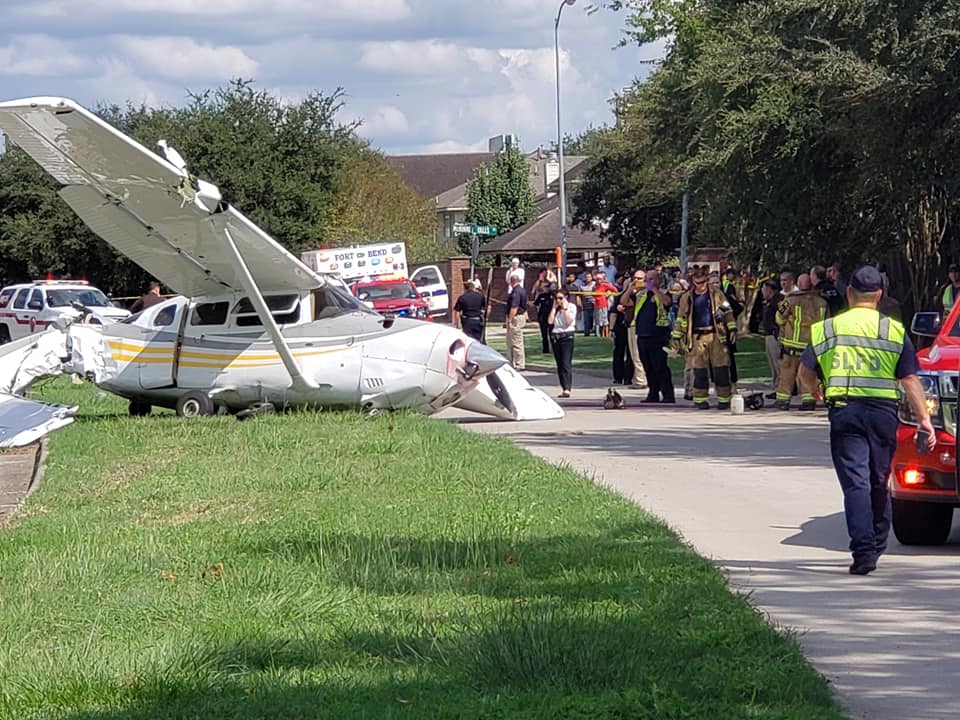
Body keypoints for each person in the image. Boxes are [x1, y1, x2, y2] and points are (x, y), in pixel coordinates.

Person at [798, 265, 935, 575]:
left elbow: (804, 372)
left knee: (856, 483)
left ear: (849, 293)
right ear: (880, 295)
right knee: (878, 478)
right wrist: (924, 419)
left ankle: (864, 551)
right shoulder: (893, 330)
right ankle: (876, 540)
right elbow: (910, 379)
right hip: (883, 413)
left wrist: (816, 391)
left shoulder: (828, 328)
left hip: (845, 411)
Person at [672, 266, 736, 409]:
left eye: (702, 282)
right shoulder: (687, 298)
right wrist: (677, 337)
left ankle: (724, 400)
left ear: (706, 280)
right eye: (697, 283)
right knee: (699, 371)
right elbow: (681, 318)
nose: (700, 286)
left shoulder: (716, 294)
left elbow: (728, 307)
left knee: (721, 370)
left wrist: (731, 328)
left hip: (716, 336)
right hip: (697, 337)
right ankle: (700, 400)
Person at [774, 273, 827, 410]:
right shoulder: (822, 302)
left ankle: (782, 401)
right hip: (813, 345)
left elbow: (779, 318)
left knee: (787, 373)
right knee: (809, 373)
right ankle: (809, 401)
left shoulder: (790, 301)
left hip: (792, 345)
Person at [634, 268, 675, 403]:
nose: (648, 282)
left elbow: (667, 302)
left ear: (658, 280)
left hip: (658, 334)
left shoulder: (663, 292)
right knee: (648, 366)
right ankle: (653, 393)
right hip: (642, 334)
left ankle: (668, 394)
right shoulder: (642, 294)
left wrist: (655, 290)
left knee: (660, 366)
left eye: (651, 279)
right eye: (647, 279)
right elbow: (624, 301)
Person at [616, 271, 648, 388]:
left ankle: (641, 380)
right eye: (634, 278)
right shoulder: (633, 293)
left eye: (640, 278)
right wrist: (630, 288)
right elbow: (623, 301)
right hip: (633, 325)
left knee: (639, 354)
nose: (637, 280)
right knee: (634, 354)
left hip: (644, 326)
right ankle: (640, 379)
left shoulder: (649, 292)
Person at [752, 280, 783, 399]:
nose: (762, 292)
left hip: (775, 335)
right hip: (768, 335)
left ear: (770, 290)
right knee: (773, 364)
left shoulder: (778, 301)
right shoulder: (769, 302)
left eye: (763, 289)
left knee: (778, 363)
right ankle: (776, 386)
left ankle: (781, 388)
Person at [548, 288, 577, 397]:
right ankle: (563, 387)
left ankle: (567, 388)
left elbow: (569, 321)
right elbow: (550, 321)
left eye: (560, 298)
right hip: (556, 336)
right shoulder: (556, 309)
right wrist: (554, 308)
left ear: (566, 297)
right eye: (556, 298)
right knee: (559, 364)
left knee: (565, 363)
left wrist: (565, 309)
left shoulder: (571, 307)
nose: (558, 300)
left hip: (567, 336)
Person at [505, 273, 527, 370]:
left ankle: (519, 364)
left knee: (516, 342)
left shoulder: (516, 292)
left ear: (511, 281)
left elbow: (514, 307)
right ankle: (510, 362)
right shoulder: (522, 290)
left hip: (515, 318)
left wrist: (509, 320)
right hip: (519, 316)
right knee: (510, 341)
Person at [532, 270, 556, 353]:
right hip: (542, 316)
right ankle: (545, 349)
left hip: (550, 317)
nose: (545, 288)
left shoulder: (552, 296)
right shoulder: (541, 296)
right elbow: (535, 304)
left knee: (551, 334)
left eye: (547, 287)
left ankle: (554, 348)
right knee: (544, 334)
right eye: (544, 287)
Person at [577, 271, 596, 336]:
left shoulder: (595, 284)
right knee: (586, 320)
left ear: (591, 277)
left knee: (595, 320)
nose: (588, 278)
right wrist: (579, 304)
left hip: (594, 304)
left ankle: (597, 333)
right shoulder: (581, 286)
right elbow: (578, 295)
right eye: (586, 277)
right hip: (585, 305)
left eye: (589, 277)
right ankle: (586, 333)